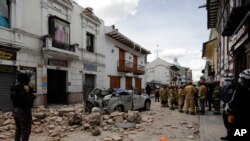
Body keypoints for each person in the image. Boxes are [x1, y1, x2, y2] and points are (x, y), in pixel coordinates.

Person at [10, 70, 36, 141]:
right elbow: (26, 99)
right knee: (26, 130)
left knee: (18, 129)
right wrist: (33, 97)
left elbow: (12, 98)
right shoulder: (25, 87)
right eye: (28, 77)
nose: (29, 79)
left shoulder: (14, 86)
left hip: (15, 110)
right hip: (24, 111)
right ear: (25, 78)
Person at [226, 69, 250, 141]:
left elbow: (233, 103)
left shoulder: (239, 89)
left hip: (241, 118)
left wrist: (229, 109)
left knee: (238, 133)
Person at [220, 73, 236, 140]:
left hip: (231, 108)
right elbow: (223, 95)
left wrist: (230, 105)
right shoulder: (225, 87)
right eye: (226, 80)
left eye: (228, 80)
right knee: (226, 121)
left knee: (231, 123)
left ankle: (232, 135)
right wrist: (222, 101)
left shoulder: (235, 88)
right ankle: (229, 135)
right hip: (225, 107)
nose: (227, 81)